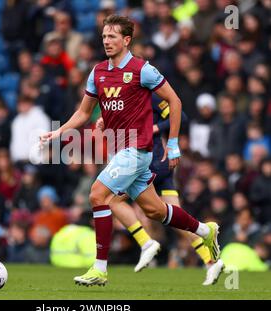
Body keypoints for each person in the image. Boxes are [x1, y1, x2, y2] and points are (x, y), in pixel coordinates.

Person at [40, 15, 221, 286]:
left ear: (126, 40)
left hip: (137, 150)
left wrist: (172, 144)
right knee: (156, 211)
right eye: (104, 37)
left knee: (97, 195)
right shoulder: (97, 72)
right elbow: (83, 112)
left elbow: (175, 101)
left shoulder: (142, 70)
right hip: (119, 151)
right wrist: (59, 131)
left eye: (112, 37)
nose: (106, 41)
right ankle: (206, 230)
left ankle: (100, 268)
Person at [96, 99, 224, 285]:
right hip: (157, 163)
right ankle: (211, 261)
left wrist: (156, 128)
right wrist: (105, 121)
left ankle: (146, 243)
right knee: (178, 220)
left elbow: (181, 116)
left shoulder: (150, 95)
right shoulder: (126, 97)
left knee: (111, 199)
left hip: (151, 163)